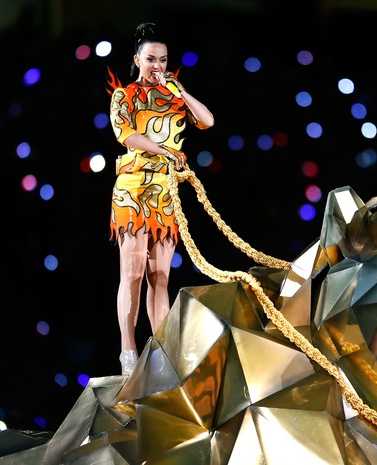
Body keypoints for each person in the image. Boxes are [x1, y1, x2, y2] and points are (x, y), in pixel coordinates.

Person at [108, 22, 214, 376]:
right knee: (134, 271)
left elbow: (207, 120)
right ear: (137, 59)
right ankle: (128, 352)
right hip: (133, 189)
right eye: (151, 59)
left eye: (163, 60)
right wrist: (163, 151)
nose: (157, 66)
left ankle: (163, 355)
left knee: (160, 276)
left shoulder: (174, 97)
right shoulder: (123, 96)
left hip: (165, 194)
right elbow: (127, 135)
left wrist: (180, 90)